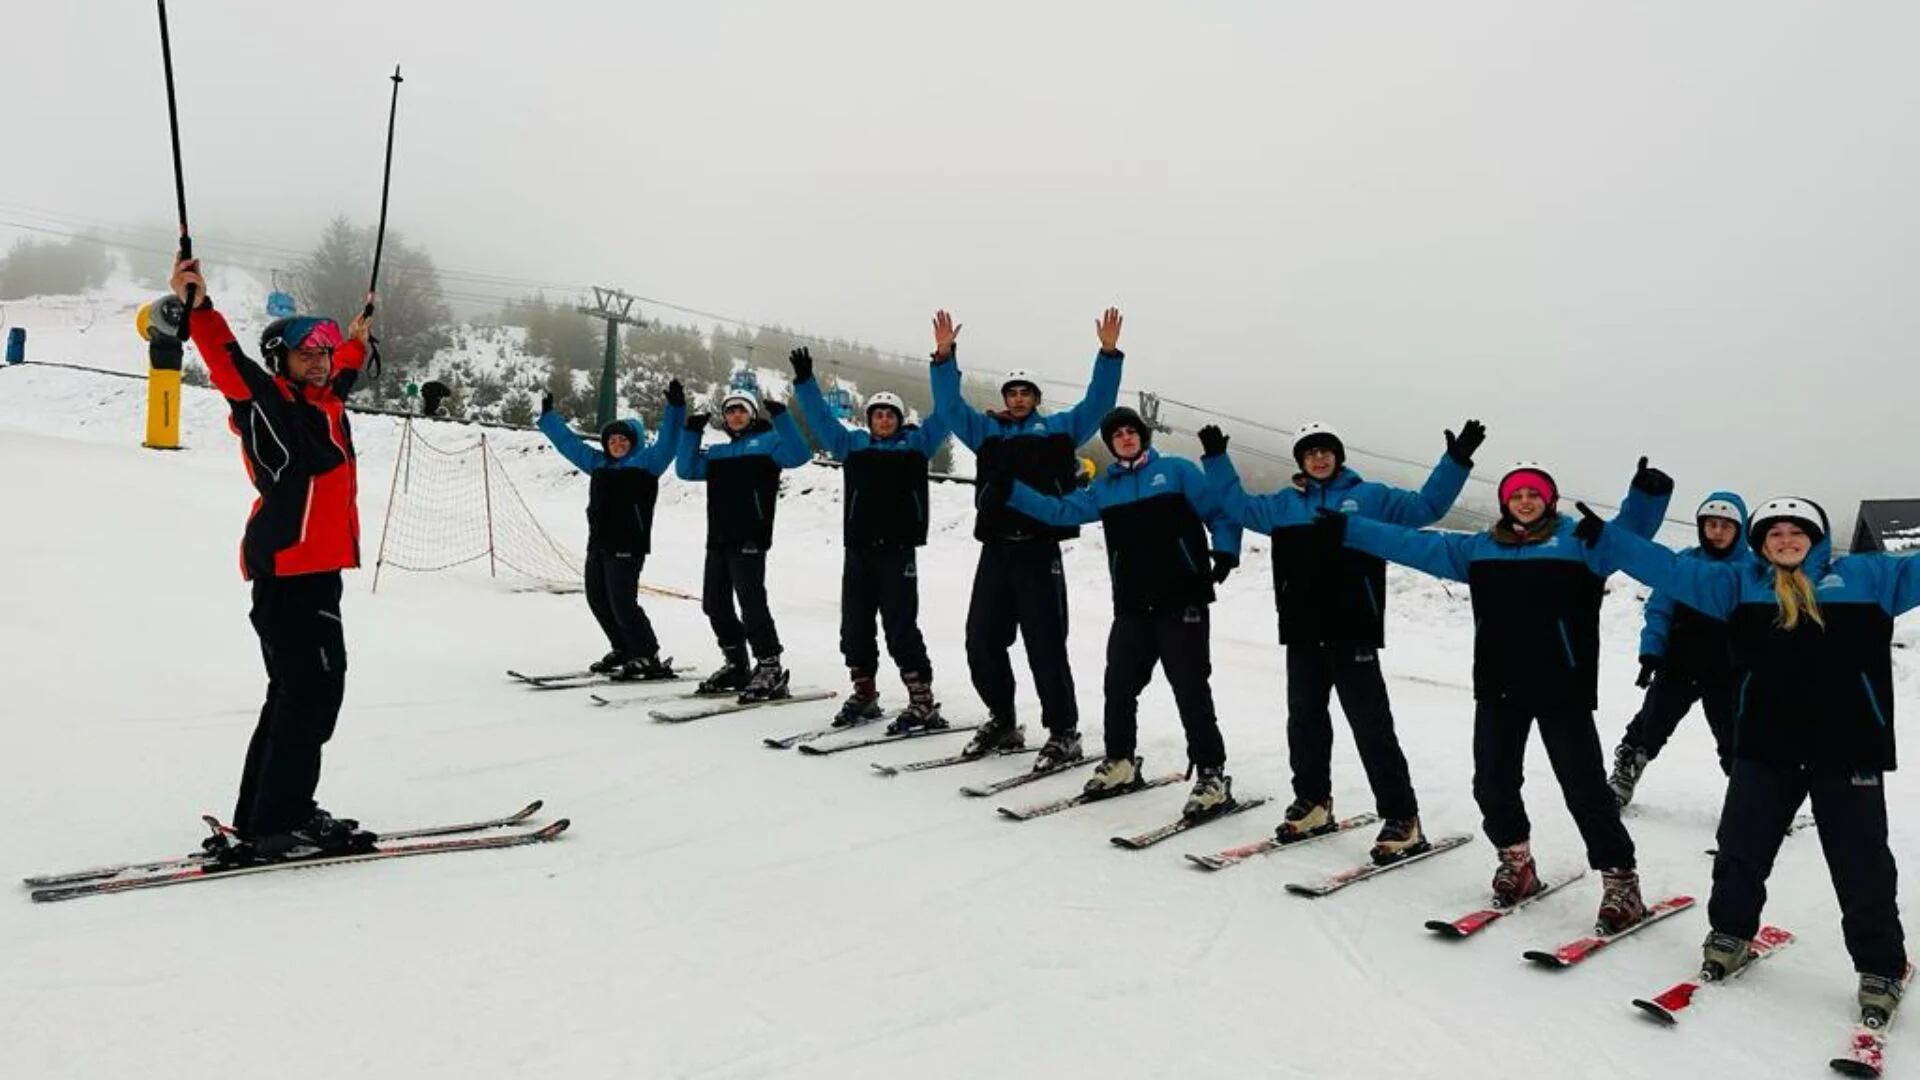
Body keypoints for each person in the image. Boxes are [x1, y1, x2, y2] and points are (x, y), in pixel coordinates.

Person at [1578, 495, 1914, 1025]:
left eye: (1795, 531)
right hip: (1765, 746)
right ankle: (1730, 935)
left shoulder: (1869, 578)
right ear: (1761, 544)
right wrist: (1614, 541)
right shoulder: (1738, 585)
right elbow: (1670, 570)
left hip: (1848, 748)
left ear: (1816, 535)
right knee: (1741, 849)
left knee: (1861, 863)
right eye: (1774, 533)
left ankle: (1880, 968)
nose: (1785, 540)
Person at [1320, 458, 1673, 930]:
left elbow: (1629, 537)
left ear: (1548, 500)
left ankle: (1621, 882)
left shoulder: (1580, 544)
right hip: (1498, 686)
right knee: (1491, 783)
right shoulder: (1480, 549)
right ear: (1506, 502)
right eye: (1516, 495)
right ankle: (1516, 862)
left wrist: (1647, 495)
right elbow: (1410, 543)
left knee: (1585, 790)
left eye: (1533, 494)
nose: (1524, 501)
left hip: (1561, 688)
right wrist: (1351, 528)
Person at [169, 253, 376, 860]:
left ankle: (265, 812)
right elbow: (227, 361)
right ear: (280, 359)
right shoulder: (268, 404)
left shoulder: (324, 400)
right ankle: (280, 817)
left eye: (325, 351)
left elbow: (344, 373)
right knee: (313, 693)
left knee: (295, 692)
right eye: (306, 351)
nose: (320, 360)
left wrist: (357, 339)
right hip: (289, 575)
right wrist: (198, 306)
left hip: (318, 575)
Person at [1199, 417, 1482, 862]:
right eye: (1310, 452)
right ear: (1301, 461)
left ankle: (1402, 817)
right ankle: (1313, 802)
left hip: (1354, 629)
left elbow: (1426, 508)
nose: (1319, 457)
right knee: (1304, 719)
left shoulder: (1369, 497)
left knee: (1371, 726)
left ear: (1338, 455)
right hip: (1302, 630)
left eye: (1326, 450)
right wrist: (1216, 460)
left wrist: (1457, 460)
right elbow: (1236, 507)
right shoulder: (1283, 505)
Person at [997, 407, 1243, 814]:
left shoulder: (1177, 472)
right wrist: (1012, 490)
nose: (1126, 438)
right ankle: (1121, 761)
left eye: (1132, 431)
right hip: (1132, 603)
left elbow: (1220, 511)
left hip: (1183, 599)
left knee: (1190, 687)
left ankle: (1212, 775)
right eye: (1118, 434)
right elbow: (1061, 510)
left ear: (1142, 437)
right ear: (1111, 444)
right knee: (1119, 685)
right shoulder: (1106, 487)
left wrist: (1226, 550)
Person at [928, 308, 1123, 769]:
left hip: (1039, 553)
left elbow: (1098, 402)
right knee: (981, 641)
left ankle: (1063, 731)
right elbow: (951, 407)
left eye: (1025, 393)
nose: (1017, 399)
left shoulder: (1059, 431)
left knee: (1045, 645)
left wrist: (1108, 354)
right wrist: (943, 358)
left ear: (1036, 398)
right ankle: (1003, 719)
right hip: (996, 551)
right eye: (1011, 392)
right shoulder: (986, 432)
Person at [790, 347, 952, 731]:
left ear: (898, 420)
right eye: (877, 415)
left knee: (901, 627)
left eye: (889, 415)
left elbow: (945, 411)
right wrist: (804, 382)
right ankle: (865, 694)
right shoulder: (854, 447)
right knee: (855, 627)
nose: (882, 420)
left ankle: (922, 701)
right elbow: (821, 420)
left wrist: (945, 363)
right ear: (870, 420)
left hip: (898, 553)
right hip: (859, 551)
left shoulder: (917, 446)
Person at [1607, 491, 1750, 806]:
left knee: (1737, 737)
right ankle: (1626, 772)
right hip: (1679, 665)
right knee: (1650, 724)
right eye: (1711, 524)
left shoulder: (1754, 570)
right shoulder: (1684, 561)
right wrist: (1651, 651)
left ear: (1740, 530)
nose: (1717, 531)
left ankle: (1753, 800)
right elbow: (1660, 610)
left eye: (1726, 525)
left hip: (1730, 672)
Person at [536, 381, 685, 681]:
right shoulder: (598, 464)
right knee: (597, 598)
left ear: (633, 442)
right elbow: (570, 445)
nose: (617, 444)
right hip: (599, 543)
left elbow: (669, 441)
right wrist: (550, 418)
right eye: (612, 440)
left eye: (623, 440)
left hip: (629, 544)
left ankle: (646, 654)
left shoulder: (648, 463)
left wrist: (676, 408)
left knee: (622, 601)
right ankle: (623, 648)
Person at [676, 384, 814, 701]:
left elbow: (799, 455)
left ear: (752, 415)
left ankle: (770, 666)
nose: (736, 415)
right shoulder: (718, 452)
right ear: (724, 418)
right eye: (730, 411)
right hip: (719, 537)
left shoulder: (770, 444)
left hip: (750, 536)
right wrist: (691, 432)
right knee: (714, 604)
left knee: (751, 602)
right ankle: (737, 664)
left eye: (742, 410)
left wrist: (781, 416)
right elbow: (686, 469)